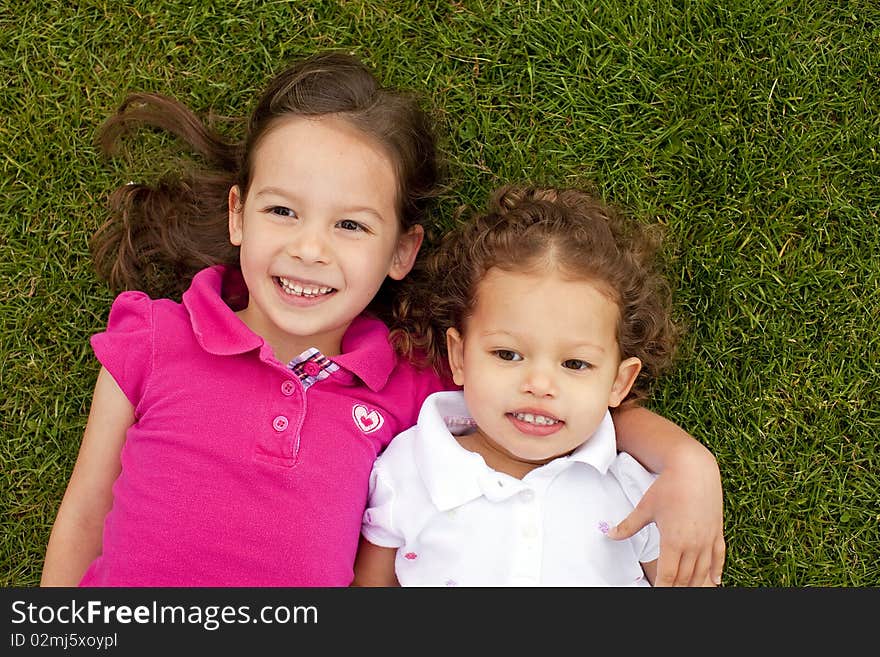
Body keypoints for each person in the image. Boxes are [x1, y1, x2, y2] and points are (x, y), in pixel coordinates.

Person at [40, 52, 723, 587]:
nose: (311, 248)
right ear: (236, 215)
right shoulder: (157, 337)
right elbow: (83, 512)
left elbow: (563, 403)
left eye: (350, 225)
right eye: (283, 211)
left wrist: (689, 462)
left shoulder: (408, 382)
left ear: (401, 251)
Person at [352, 185, 710, 586]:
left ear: (619, 381)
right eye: (508, 355)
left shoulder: (631, 487)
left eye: (575, 364)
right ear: (459, 356)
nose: (539, 385)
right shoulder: (407, 471)